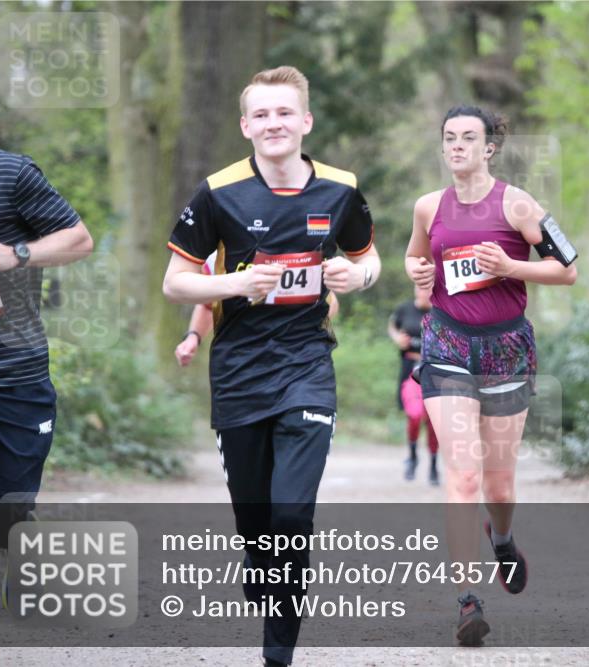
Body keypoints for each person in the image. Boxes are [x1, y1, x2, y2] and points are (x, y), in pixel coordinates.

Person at [162, 66, 380, 667]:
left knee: (291, 513)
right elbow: (175, 282)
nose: (273, 123)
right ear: (245, 126)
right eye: (261, 114)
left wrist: (357, 276)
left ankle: (277, 653)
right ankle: (263, 571)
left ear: (305, 121)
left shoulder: (340, 188)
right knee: (257, 517)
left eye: (284, 113)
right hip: (237, 372)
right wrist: (237, 281)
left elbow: (369, 259)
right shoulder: (218, 192)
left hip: (308, 364)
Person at [405, 105, 578, 645]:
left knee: (499, 483)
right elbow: (417, 268)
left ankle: (501, 539)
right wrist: (417, 276)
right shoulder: (428, 207)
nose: (457, 146)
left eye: (468, 138)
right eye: (449, 138)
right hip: (448, 345)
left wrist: (511, 268)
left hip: (506, 349)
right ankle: (466, 600)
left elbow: (567, 269)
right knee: (462, 474)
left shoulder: (519, 204)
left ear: (490, 149)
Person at [0, 49, 94, 657]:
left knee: (6, 513)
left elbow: (79, 238)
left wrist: (16, 254)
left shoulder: (11, 174)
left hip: (11, 374)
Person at [175, 251, 339, 367]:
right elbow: (209, 305)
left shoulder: (295, 246)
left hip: (297, 361)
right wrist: (193, 337)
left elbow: (330, 304)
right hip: (240, 362)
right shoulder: (218, 256)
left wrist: (296, 331)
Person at [387, 285, 439, 484]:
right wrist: (396, 338)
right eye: (420, 288)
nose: (423, 292)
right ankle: (412, 456)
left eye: (427, 289)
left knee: (433, 421)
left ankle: (434, 466)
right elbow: (392, 325)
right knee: (415, 414)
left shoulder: (440, 311)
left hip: (434, 370)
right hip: (410, 368)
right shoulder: (405, 308)